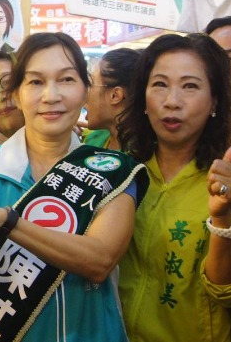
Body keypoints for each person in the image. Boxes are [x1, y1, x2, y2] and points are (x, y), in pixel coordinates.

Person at [0, 32, 149, 341]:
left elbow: (99, 260)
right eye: (35, 82)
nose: (51, 95)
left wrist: (0, 217)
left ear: (85, 91)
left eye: (67, 79)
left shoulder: (113, 169)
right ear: (16, 94)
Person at [116, 33, 231, 342]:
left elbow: (224, 293)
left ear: (214, 101)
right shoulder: (124, 172)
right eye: (159, 84)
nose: (172, 101)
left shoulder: (224, 180)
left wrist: (223, 221)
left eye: (190, 86)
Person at [83, 48, 141, 150]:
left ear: (115, 95)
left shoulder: (145, 154)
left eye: (90, 85)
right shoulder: (93, 140)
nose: (84, 96)